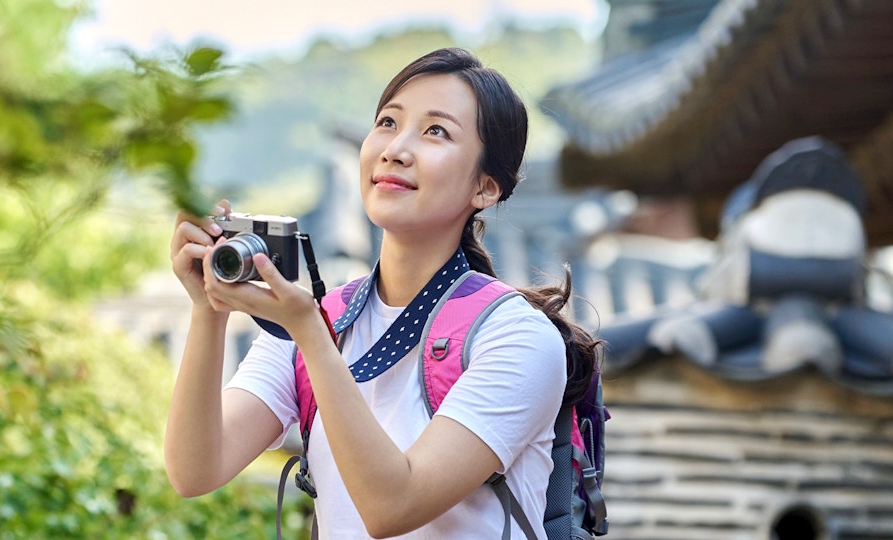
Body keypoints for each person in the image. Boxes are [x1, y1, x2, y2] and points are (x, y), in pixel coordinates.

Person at [166, 47, 599, 539]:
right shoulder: (318, 317)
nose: (396, 148)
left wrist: (309, 332)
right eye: (388, 122)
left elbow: (392, 506)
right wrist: (209, 310)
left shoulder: (516, 336)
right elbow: (195, 471)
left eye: (436, 131)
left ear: (485, 188)